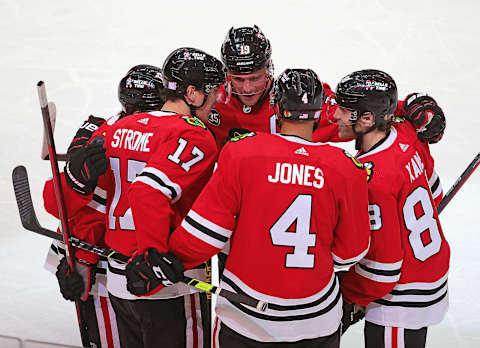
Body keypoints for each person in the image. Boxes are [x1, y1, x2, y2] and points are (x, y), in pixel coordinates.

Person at [136, 68, 372, 347]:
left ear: (276, 108)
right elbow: (352, 252)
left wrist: (163, 261)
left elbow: (205, 234)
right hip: (315, 316)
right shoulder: (346, 167)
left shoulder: (241, 152)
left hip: (246, 316)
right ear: (320, 113)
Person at [102, 47, 225, 348]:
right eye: (213, 91)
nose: (219, 99)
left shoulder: (121, 126)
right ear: (193, 94)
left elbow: (99, 193)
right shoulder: (193, 134)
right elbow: (147, 191)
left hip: (118, 281)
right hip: (166, 284)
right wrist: (151, 257)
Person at [43, 64, 165, 348]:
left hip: (138, 265)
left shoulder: (171, 134)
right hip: (104, 266)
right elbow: (66, 204)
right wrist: (79, 263)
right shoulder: (98, 133)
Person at [333, 69, 450, 348]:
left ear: (367, 119)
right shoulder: (405, 135)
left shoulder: (373, 178)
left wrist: (351, 297)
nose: (335, 115)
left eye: (344, 109)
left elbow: (383, 268)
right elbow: (434, 192)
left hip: (400, 295)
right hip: (424, 271)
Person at [195, 25, 342, 150]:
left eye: (255, 78)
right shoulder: (208, 96)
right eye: (238, 79)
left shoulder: (300, 97)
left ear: (268, 70)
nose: (247, 89)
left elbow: (360, 117)